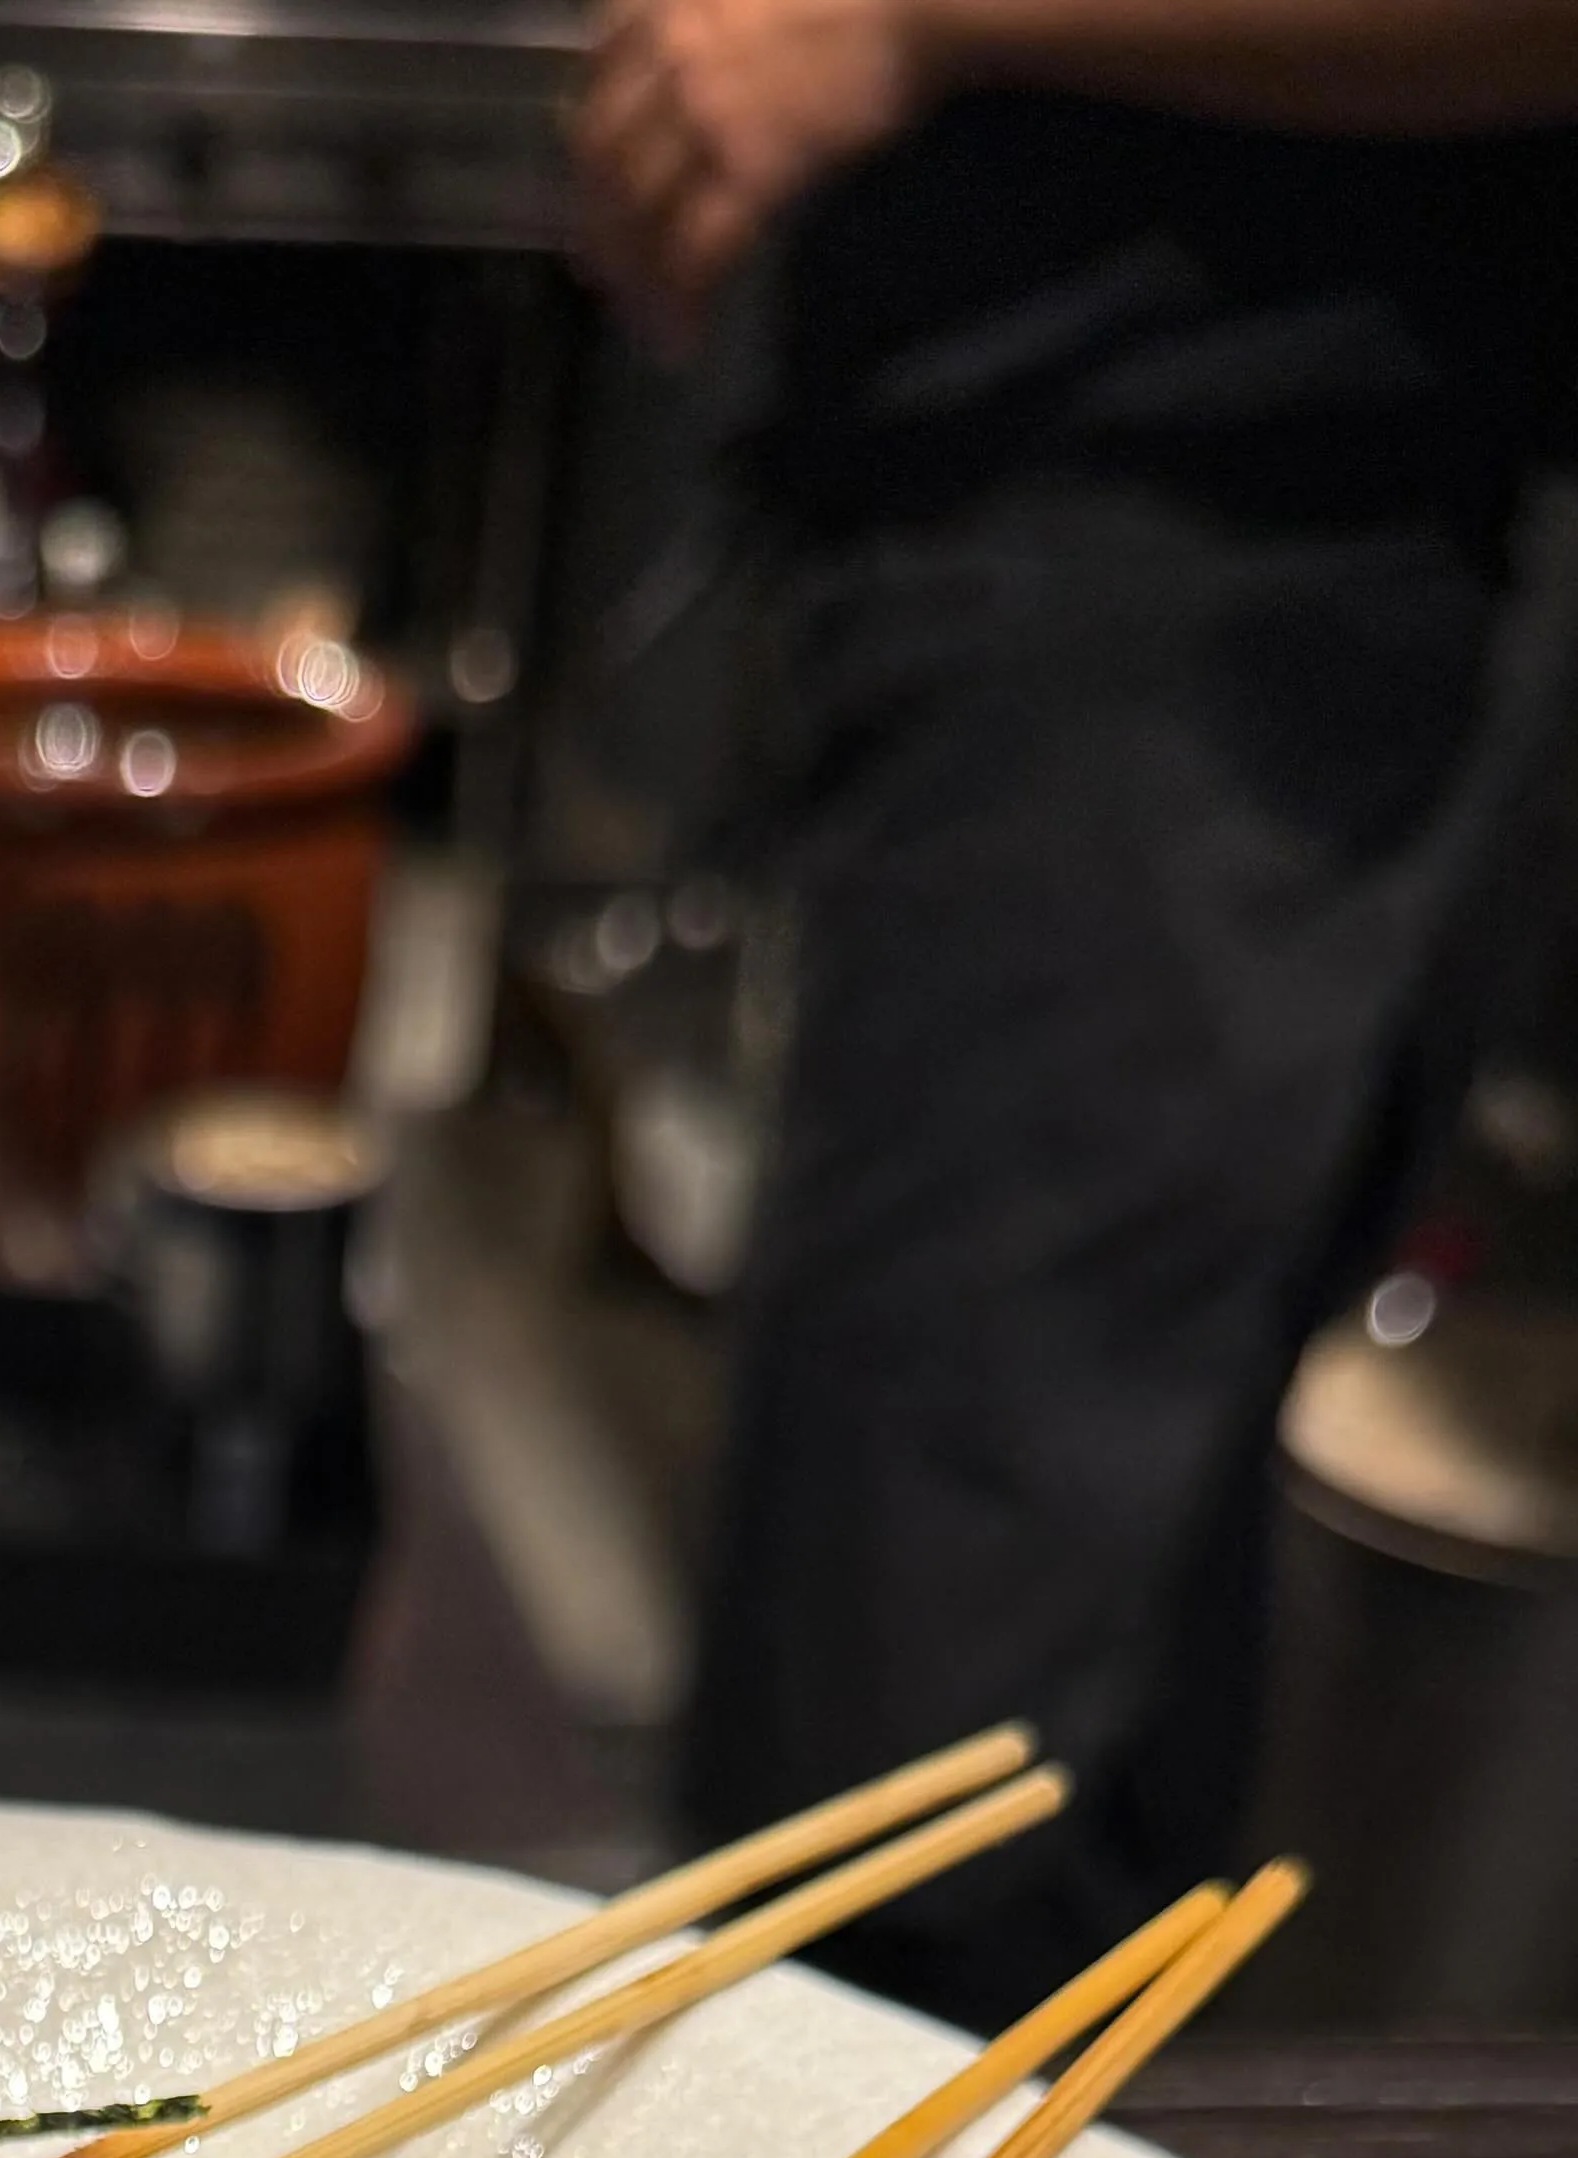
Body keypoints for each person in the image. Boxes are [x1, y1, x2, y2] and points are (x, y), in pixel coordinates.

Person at [574, 0, 1578, 2013]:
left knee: (891, 1828)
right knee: (962, 1728)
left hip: (1216, 572)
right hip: (1046, 546)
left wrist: (909, 16)